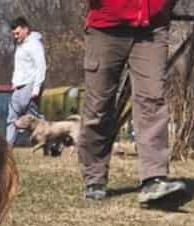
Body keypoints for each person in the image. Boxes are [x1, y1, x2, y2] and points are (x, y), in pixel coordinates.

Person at [79, 0, 186, 205]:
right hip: (106, 25)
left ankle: (154, 178)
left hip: (152, 27)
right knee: (98, 106)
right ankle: (94, 178)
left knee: (152, 100)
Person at [7, 17, 47, 146]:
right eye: (13, 34)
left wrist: (36, 88)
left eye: (17, 33)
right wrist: (14, 82)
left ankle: (52, 143)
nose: (15, 36)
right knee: (12, 119)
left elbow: (41, 66)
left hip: (30, 86)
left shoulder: (34, 44)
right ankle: (7, 150)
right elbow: (18, 67)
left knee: (34, 121)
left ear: (26, 29)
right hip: (18, 88)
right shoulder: (20, 45)